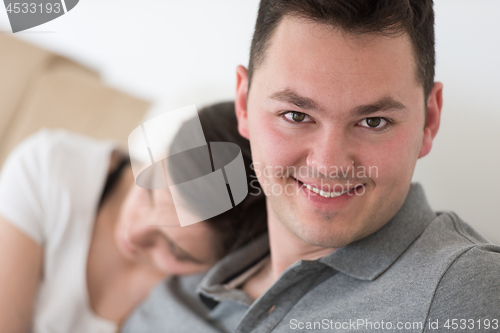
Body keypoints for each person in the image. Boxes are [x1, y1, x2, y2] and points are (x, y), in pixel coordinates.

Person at [122, 1, 500, 332]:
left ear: (429, 120)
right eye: (295, 115)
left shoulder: (467, 291)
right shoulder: (179, 286)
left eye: (374, 121)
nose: (329, 164)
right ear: (243, 104)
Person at [0, 101, 267, 333]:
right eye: (149, 190)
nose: (134, 233)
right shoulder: (49, 168)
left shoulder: (217, 300)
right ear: (162, 150)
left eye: (175, 249)